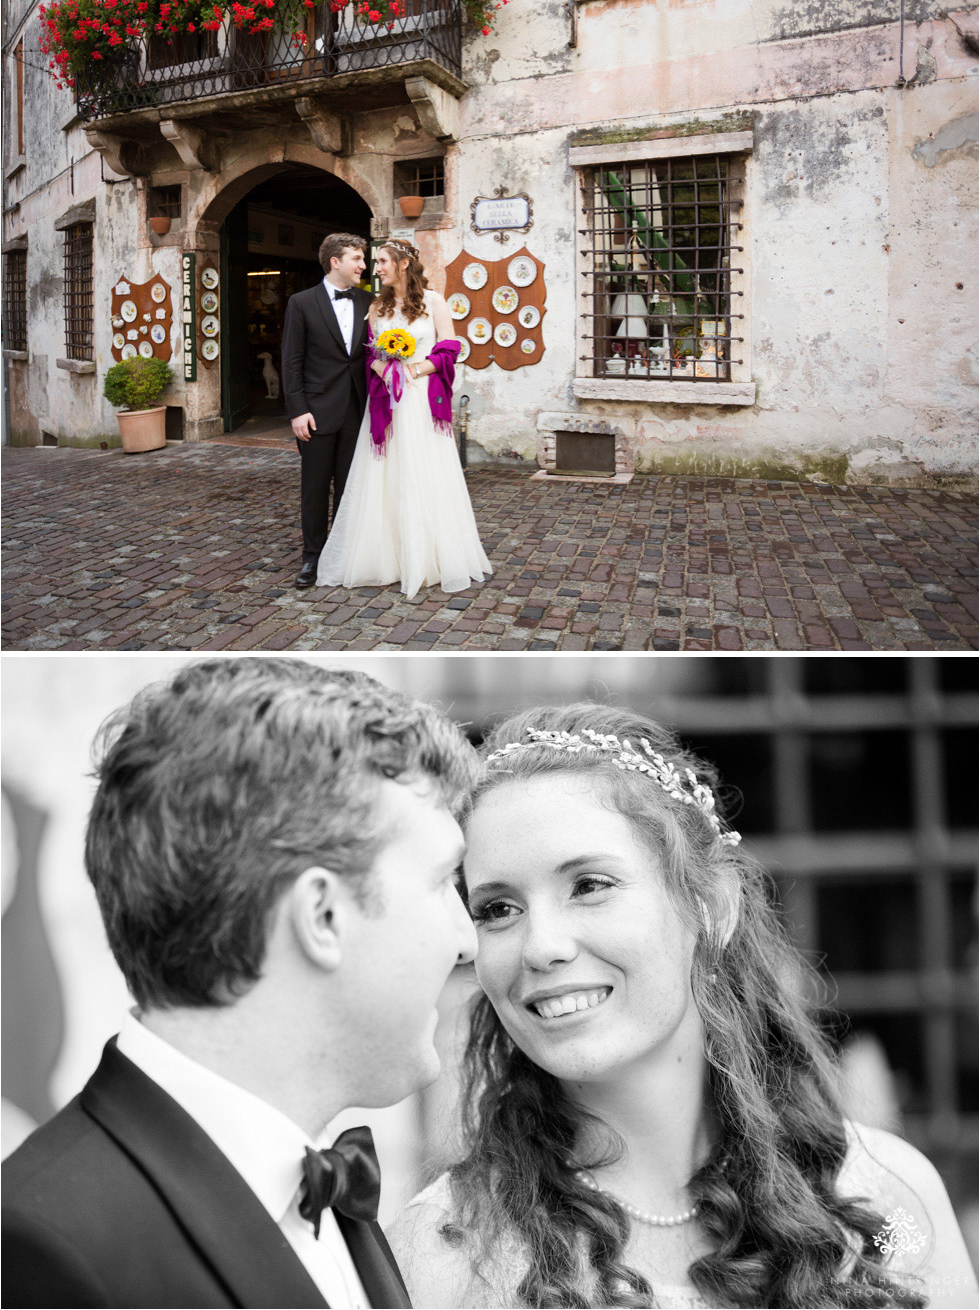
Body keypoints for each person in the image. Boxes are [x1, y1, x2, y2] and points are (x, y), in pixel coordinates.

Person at [387, 705, 979, 1310]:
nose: (540, 947)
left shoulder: (888, 1206)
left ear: (711, 907)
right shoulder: (446, 1255)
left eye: (590, 885)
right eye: (497, 910)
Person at [2, 658, 479, 1309]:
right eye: (442, 882)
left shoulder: (335, 1195)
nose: (467, 939)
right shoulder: (39, 1249)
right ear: (322, 916)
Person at [316, 239, 492, 599]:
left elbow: (451, 347)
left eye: (381, 261)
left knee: (423, 470)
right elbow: (368, 354)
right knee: (385, 475)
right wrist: (383, 366)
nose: (375, 268)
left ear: (402, 263)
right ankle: (388, 557)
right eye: (374, 261)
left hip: (422, 401)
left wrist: (416, 369)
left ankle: (428, 556)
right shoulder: (377, 307)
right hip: (387, 403)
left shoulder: (434, 301)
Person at [282, 233, 373, 590]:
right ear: (335, 262)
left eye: (364, 259)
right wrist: (298, 410)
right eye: (357, 258)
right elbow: (291, 361)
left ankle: (345, 552)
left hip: (358, 409)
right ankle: (313, 558)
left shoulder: (370, 301)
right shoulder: (301, 303)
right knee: (315, 488)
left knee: (351, 487)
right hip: (316, 412)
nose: (363, 265)